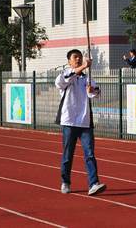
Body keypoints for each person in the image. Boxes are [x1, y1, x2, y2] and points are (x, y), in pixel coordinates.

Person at [55, 49, 106, 196]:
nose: (78, 59)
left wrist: (93, 89)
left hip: (85, 122)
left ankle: (93, 183)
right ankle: (65, 182)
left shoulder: (86, 78)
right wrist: (84, 66)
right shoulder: (65, 75)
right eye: (75, 57)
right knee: (68, 154)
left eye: (79, 57)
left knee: (89, 153)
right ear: (69, 61)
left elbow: (95, 93)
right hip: (69, 121)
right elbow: (62, 82)